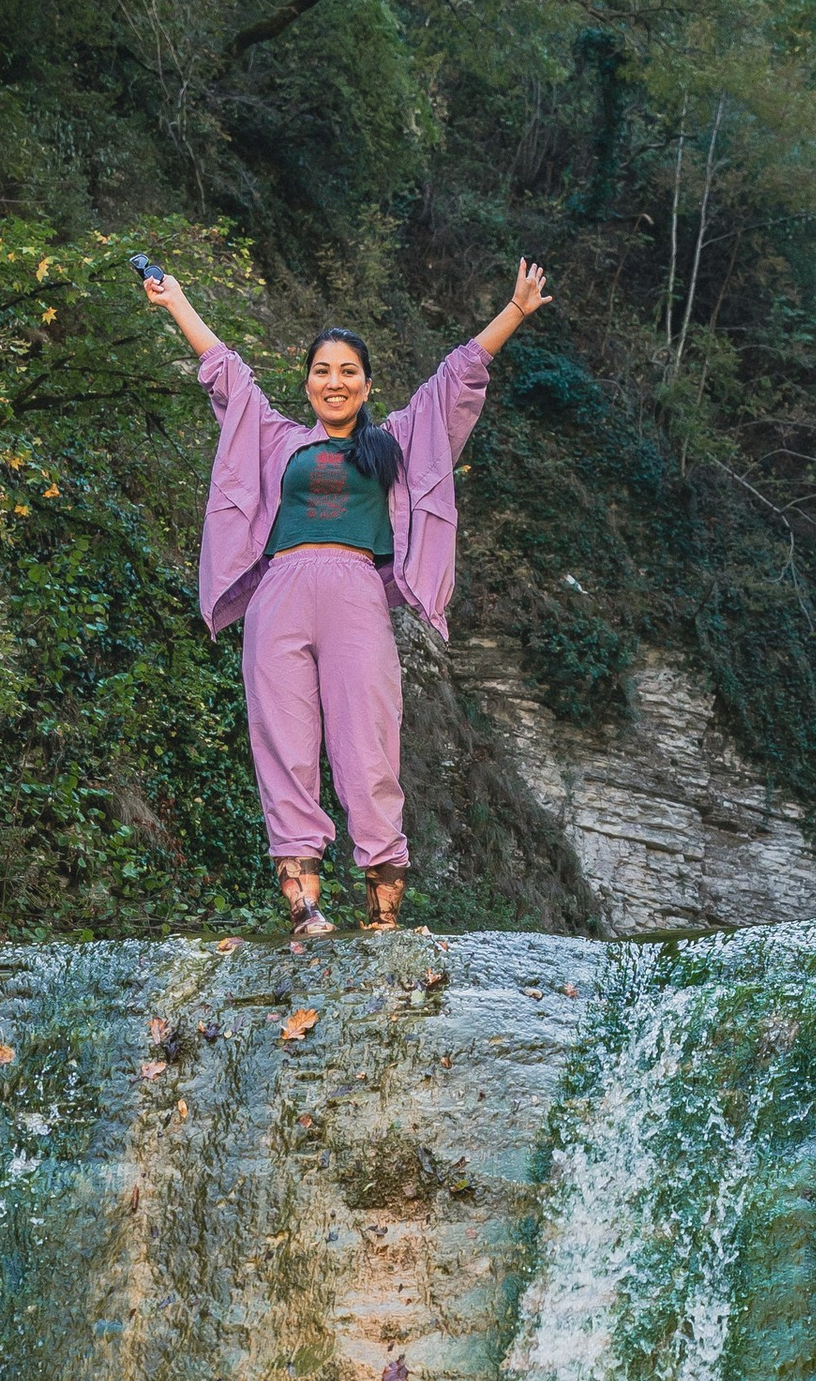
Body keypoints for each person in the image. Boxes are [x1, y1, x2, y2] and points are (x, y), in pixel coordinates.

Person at [144, 260, 552, 937]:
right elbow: (227, 375)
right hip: (279, 595)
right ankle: (304, 910)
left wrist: (513, 311)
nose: (335, 382)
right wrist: (178, 301)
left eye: (348, 372)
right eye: (322, 371)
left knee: (370, 749)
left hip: (357, 596)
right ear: (307, 382)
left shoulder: (392, 441)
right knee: (284, 744)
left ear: (367, 384)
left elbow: (456, 382)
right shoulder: (277, 441)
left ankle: (382, 916)